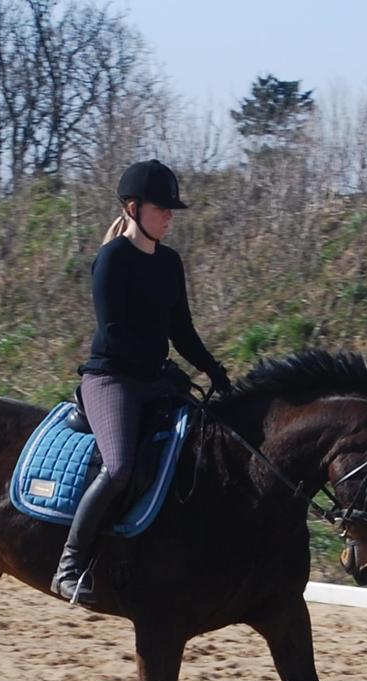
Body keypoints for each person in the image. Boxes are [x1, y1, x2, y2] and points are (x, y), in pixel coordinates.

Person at [50, 158, 232, 604]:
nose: (170, 215)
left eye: (172, 209)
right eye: (161, 207)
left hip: (154, 377)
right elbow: (114, 332)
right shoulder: (111, 260)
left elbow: (181, 330)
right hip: (112, 379)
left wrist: (214, 369)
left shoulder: (169, 263)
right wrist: (160, 368)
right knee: (120, 467)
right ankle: (69, 565)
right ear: (133, 208)